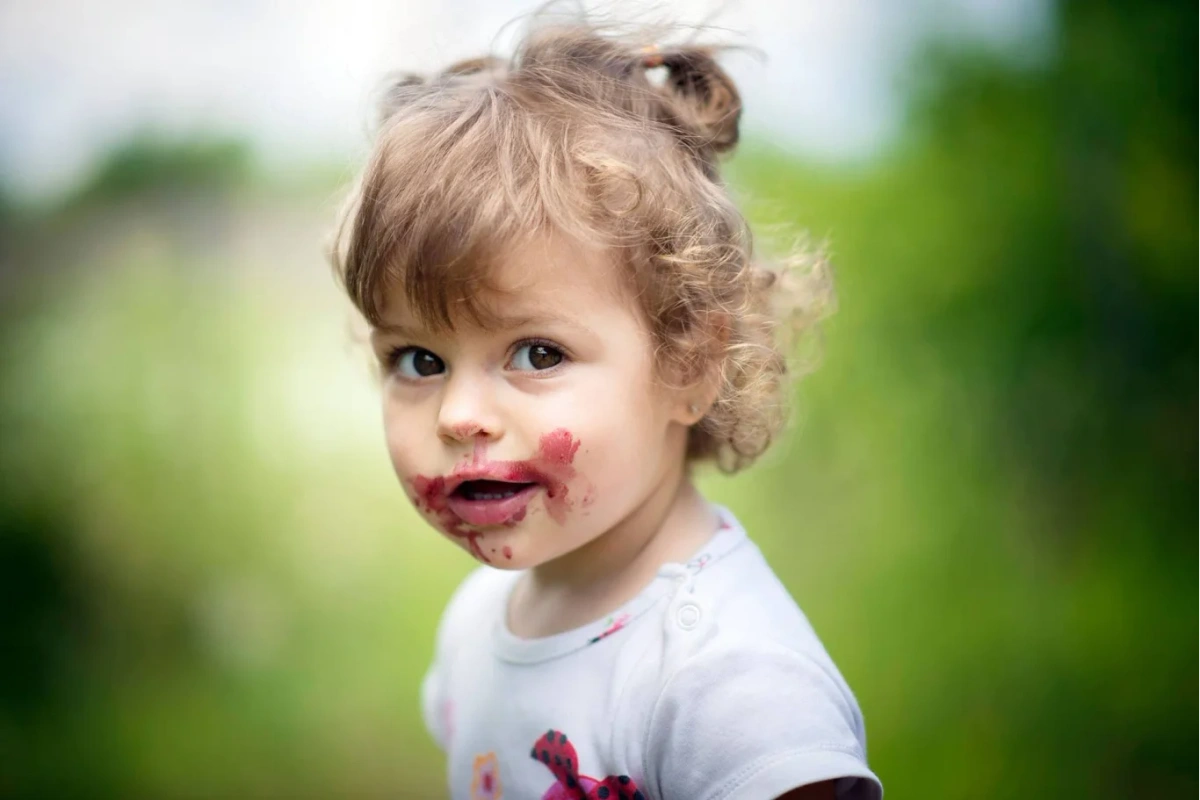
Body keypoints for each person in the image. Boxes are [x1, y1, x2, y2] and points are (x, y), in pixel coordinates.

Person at [327, 15, 881, 800]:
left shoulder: (731, 688)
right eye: (419, 360)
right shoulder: (482, 618)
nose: (457, 416)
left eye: (538, 353)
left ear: (688, 366)